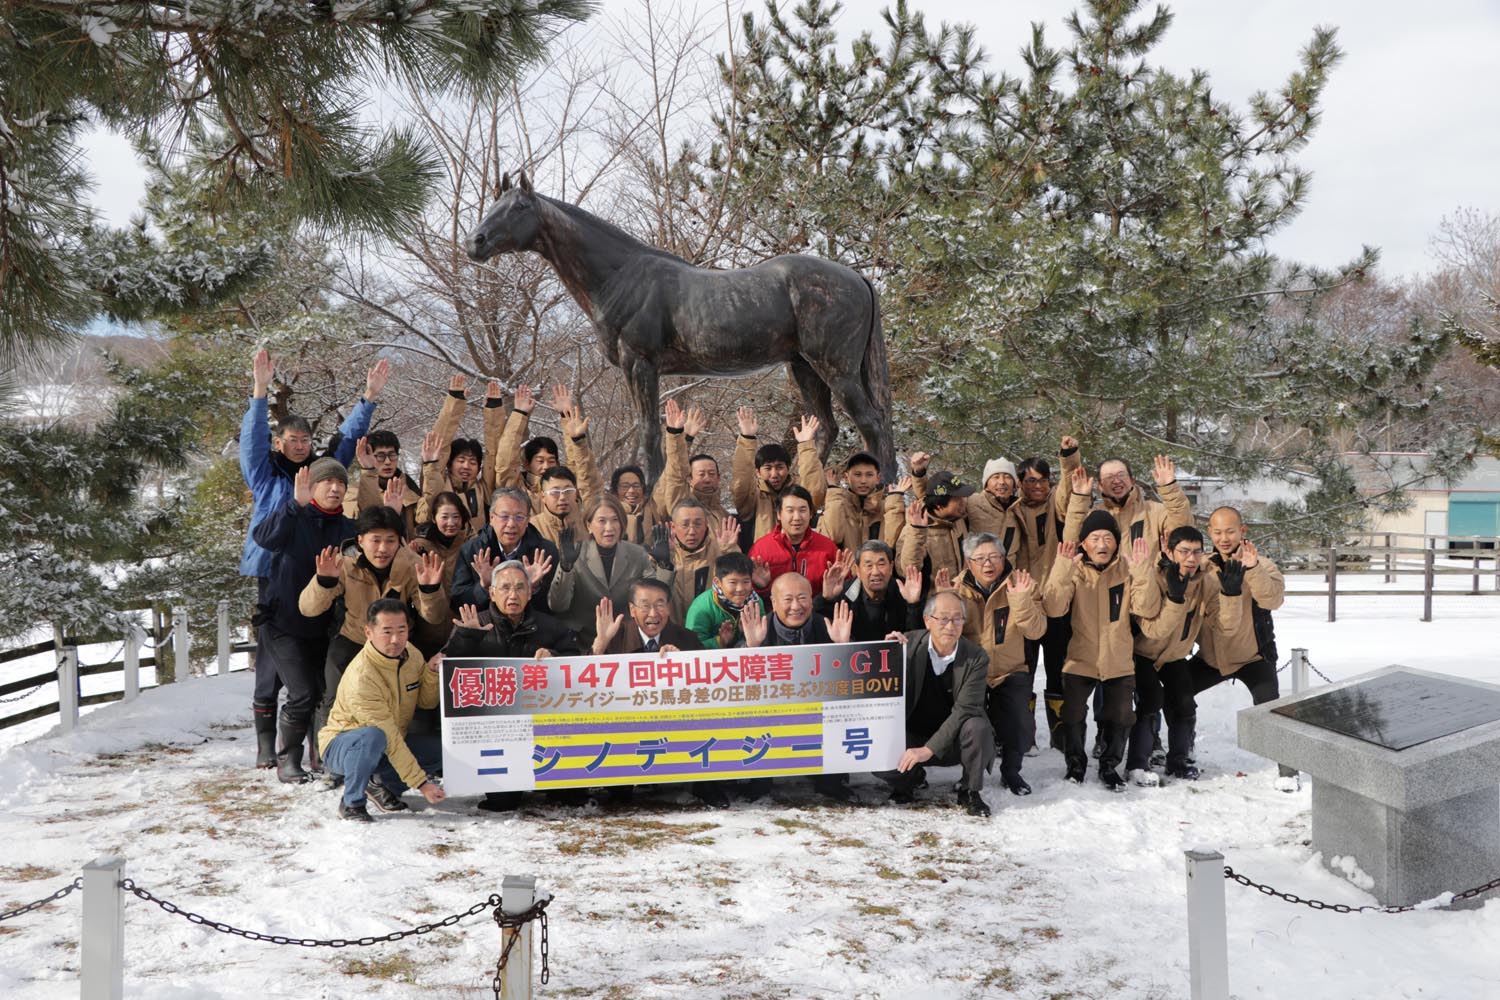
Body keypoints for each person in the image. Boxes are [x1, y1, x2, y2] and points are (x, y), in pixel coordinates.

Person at [239, 349, 386, 767]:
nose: (301, 447)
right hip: (273, 574)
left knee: (315, 660)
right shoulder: (266, 473)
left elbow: (343, 448)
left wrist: (368, 399)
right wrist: (259, 391)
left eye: (306, 440)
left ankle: (316, 745)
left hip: (316, 573)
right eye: (293, 440)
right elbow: (252, 440)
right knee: (271, 663)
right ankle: (268, 745)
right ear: (279, 442)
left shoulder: (323, 473)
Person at [252, 461, 386, 783]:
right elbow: (263, 537)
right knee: (302, 692)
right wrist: (293, 505)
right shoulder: (294, 518)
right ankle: (288, 759)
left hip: (324, 627)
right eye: (327, 482)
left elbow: (378, 551)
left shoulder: (346, 529)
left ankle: (323, 757)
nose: (335, 488)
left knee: (326, 693)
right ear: (312, 487)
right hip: (283, 624)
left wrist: (389, 514)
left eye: (340, 483)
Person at [443, 560, 583, 812]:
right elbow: (449, 671)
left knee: (571, 797)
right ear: (492, 592)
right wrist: (468, 637)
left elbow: (576, 661)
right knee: (503, 803)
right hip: (496, 730)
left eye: (520, 588)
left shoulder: (548, 625)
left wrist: (553, 656)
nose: (513, 594)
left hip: (542, 724)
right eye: (505, 587)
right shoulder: (476, 622)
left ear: (530, 593)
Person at [297, 505, 448, 739]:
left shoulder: (412, 564)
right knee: (336, 697)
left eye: (390, 541)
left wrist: (430, 590)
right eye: (375, 540)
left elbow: (435, 616)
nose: (382, 548)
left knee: (403, 703)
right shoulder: (343, 564)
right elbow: (308, 608)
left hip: (396, 646)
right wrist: (324, 582)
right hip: (353, 640)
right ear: (360, 540)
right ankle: (333, 758)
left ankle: (400, 758)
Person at [1042, 497, 1161, 791]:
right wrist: (1062, 567)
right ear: (1084, 543)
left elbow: (1146, 608)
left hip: (1118, 660)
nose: (1102, 543)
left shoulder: (1127, 570)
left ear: (1117, 543)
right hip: (1079, 659)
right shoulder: (1074, 570)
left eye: (1108, 537)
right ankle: (1076, 764)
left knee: (1120, 716)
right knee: (1072, 714)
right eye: (1095, 537)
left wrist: (1143, 571)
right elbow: (1054, 607)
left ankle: (1109, 765)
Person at [1193, 506, 1297, 789]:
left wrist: (1252, 569)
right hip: (1211, 657)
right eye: (1217, 532)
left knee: (1271, 710)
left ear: (1242, 531)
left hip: (1253, 657)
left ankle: (1288, 770)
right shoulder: (1203, 568)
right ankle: (1181, 753)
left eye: (1230, 531)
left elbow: (1272, 600)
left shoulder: (1262, 564)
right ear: (1210, 533)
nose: (1224, 538)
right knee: (1174, 694)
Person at [1127, 526, 1239, 785]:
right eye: (1184, 551)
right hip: (1140, 651)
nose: (1191, 558)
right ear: (1169, 550)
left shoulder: (1207, 583)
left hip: (1174, 655)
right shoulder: (1154, 577)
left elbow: (1226, 627)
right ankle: (1137, 764)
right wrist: (1175, 598)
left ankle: (1179, 760)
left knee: (1184, 700)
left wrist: (1231, 595)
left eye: (1197, 552)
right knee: (1151, 698)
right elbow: (1153, 630)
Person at [318, 599, 447, 821]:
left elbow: (425, 702)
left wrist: (432, 672)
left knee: (442, 748)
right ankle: (351, 804)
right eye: (387, 632)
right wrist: (422, 784)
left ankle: (380, 784)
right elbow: (387, 734)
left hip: (385, 741)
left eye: (402, 630)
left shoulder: (410, 654)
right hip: (343, 744)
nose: (396, 639)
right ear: (369, 632)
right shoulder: (362, 676)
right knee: (372, 736)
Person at [738, 573, 856, 801]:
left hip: (818, 712)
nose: (796, 606)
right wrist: (750, 648)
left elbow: (855, 682)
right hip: (772, 712)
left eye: (802, 598)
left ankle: (830, 780)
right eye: (788, 599)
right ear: (773, 602)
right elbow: (734, 683)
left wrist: (843, 647)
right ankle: (759, 781)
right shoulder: (759, 628)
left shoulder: (828, 626)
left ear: (812, 600)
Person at [881, 590, 995, 818]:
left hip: (954, 741)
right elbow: (879, 689)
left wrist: (928, 750)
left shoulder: (976, 657)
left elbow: (965, 710)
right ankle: (909, 781)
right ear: (927, 621)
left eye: (957, 619)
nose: (950, 626)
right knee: (877, 750)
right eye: (943, 618)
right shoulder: (907, 645)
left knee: (978, 726)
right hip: (913, 734)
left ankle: (970, 790)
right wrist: (885, 654)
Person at [952, 533, 1046, 796]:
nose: (988, 564)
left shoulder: (1024, 584)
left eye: (994, 557)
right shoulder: (956, 589)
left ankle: (1011, 771)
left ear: (1004, 559)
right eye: (980, 558)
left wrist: (1020, 600)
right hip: (972, 671)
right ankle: (970, 774)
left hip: (1011, 668)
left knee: (1019, 722)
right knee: (971, 723)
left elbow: (1037, 631)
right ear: (968, 563)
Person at [1011, 438, 1082, 753]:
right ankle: (1023, 733)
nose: (1036, 486)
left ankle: (1061, 731)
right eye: (1030, 480)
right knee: (1022, 670)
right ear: (1020, 483)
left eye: (1042, 480)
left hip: (1056, 602)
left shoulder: (1056, 504)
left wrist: (1068, 458)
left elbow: (1070, 492)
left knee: (1058, 669)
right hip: (1024, 604)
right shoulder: (1010, 511)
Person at [548, 494, 673, 646]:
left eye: (615, 520)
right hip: (582, 641)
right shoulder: (575, 554)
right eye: (602, 521)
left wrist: (664, 565)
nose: (609, 527)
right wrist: (565, 568)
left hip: (626, 641)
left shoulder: (636, 554)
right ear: (589, 526)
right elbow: (558, 605)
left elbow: (656, 598)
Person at [415, 375, 505, 538]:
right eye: (461, 460)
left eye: (472, 462)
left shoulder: (482, 489)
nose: (466, 466)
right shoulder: (439, 483)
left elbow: (494, 454)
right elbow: (440, 446)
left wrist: (493, 410)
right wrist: (455, 402)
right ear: (449, 464)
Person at [451, 489, 559, 615]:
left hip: (531, 628)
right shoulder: (473, 550)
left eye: (519, 517)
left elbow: (555, 608)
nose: (511, 524)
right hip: (487, 628)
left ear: (527, 520)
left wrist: (534, 587)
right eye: (504, 516)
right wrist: (483, 587)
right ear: (491, 518)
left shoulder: (544, 552)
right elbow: (457, 605)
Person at [730, 406, 826, 543]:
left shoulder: (799, 494)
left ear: (788, 468)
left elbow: (815, 491)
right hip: (762, 560)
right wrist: (746, 438)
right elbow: (740, 482)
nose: (774, 474)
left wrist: (806, 445)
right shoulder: (752, 498)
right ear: (757, 472)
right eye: (767, 468)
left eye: (779, 467)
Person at [814, 540, 923, 643]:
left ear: (891, 567)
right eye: (869, 565)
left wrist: (913, 605)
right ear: (858, 570)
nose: (875, 572)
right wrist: (826, 599)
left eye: (881, 564)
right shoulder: (845, 592)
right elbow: (817, 629)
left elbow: (917, 640)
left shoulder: (903, 591)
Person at [820, 451, 922, 553]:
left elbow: (891, 544)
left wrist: (895, 499)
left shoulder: (887, 507)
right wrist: (833, 492)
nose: (863, 480)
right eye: (857, 475)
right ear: (846, 478)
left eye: (869, 475)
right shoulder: (838, 505)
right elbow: (832, 536)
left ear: (878, 478)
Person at [746, 485, 840, 596]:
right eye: (790, 511)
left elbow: (841, 586)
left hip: (817, 611)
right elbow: (746, 594)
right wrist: (762, 587)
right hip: (774, 612)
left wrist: (830, 597)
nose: (797, 517)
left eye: (802, 510)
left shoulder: (827, 548)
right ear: (779, 514)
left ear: (811, 514)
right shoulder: (761, 550)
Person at [407, 491, 469, 655]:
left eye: (456, 517)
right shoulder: (420, 546)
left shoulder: (470, 544)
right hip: (427, 633)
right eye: (445, 517)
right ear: (434, 518)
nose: (451, 523)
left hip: (461, 632)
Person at [663, 498, 741, 624]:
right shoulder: (663, 554)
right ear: (673, 527)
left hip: (713, 632)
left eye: (698, 524)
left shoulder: (720, 552)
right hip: (672, 634)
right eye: (685, 525)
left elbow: (739, 586)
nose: (692, 532)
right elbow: (655, 593)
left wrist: (730, 551)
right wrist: (664, 562)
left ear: (706, 525)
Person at [896, 470, 973, 588]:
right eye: (957, 499)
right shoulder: (914, 530)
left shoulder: (959, 518)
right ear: (939, 505)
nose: (963, 502)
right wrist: (917, 532)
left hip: (961, 596)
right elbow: (907, 571)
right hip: (934, 601)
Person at [592, 579, 702, 656]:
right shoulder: (615, 638)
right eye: (645, 606)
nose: (653, 614)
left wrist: (681, 660)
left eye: (659, 605)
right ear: (632, 610)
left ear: (669, 607)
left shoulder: (688, 639)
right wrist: (601, 644)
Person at [684, 552, 765, 649]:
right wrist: (720, 641)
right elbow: (692, 647)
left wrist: (745, 635)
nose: (740, 588)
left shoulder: (755, 602)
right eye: (733, 582)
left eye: (746, 581)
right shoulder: (701, 608)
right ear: (718, 582)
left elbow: (764, 638)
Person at [347, 430, 421, 535]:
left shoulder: (409, 488)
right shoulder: (353, 493)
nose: (387, 462)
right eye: (380, 456)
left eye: (392, 455)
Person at [966, 457, 1020, 554]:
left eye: (1007, 477)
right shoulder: (972, 502)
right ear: (986, 484)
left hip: (1010, 568)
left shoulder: (1019, 508)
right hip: (980, 566)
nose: (1002, 482)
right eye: (996, 477)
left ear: (1014, 484)